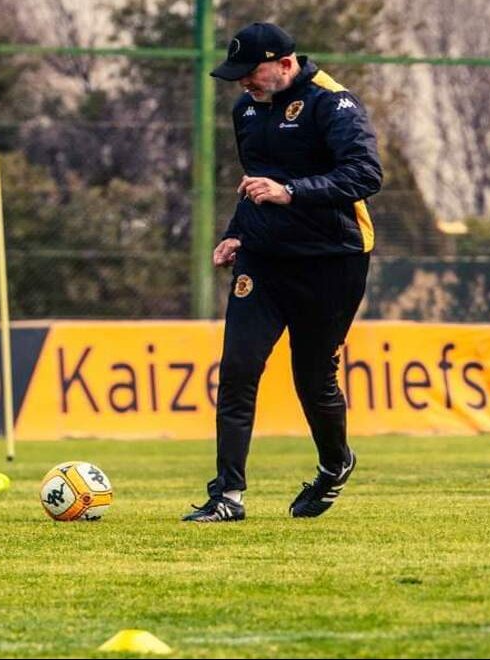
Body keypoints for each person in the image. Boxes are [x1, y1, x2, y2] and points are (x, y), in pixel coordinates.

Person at [182, 22, 383, 522]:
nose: (244, 83)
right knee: (237, 370)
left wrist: (293, 192)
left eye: (251, 73)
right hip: (265, 261)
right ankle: (227, 494)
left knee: (313, 380)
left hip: (331, 260)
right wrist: (237, 232)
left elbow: (366, 174)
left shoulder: (332, 103)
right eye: (239, 76)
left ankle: (335, 464)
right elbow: (255, 185)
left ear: (285, 63)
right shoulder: (246, 109)